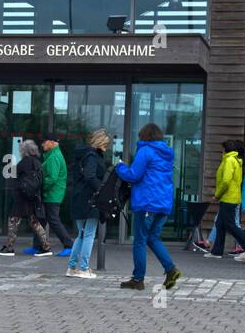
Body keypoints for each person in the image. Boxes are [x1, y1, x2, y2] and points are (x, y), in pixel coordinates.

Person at [116, 122, 181, 291]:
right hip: (163, 203)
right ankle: (170, 269)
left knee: (140, 241)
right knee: (153, 237)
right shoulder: (167, 152)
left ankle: (138, 279)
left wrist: (120, 166)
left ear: (144, 136)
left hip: (147, 202)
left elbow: (133, 175)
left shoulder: (145, 151)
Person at [65, 128, 109, 278]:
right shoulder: (92, 156)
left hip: (78, 197)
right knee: (89, 233)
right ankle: (84, 268)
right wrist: (101, 190)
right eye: (106, 143)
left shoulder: (82, 154)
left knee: (81, 234)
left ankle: (72, 267)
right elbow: (90, 176)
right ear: (101, 142)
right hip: (90, 199)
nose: (107, 147)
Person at [0, 139, 49, 256]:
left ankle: (9, 248)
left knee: (13, 221)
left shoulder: (23, 163)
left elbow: (15, 179)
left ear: (24, 151)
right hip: (33, 198)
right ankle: (46, 247)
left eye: (21, 149)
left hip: (21, 199)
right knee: (35, 223)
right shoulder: (37, 163)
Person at [30, 132, 74, 256]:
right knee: (41, 219)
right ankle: (37, 246)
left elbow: (52, 178)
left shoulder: (54, 157)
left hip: (52, 194)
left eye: (44, 141)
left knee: (53, 220)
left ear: (51, 142)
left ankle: (69, 245)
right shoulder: (51, 155)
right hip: (51, 193)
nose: (42, 144)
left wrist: (40, 186)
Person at [207, 140, 245, 258]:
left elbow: (225, 181)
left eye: (222, 148)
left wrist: (217, 195)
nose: (221, 151)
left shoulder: (229, 160)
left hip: (228, 197)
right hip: (230, 197)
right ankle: (216, 251)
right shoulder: (234, 160)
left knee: (230, 225)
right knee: (220, 224)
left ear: (226, 149)